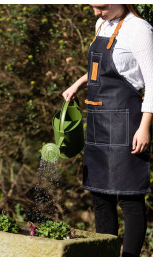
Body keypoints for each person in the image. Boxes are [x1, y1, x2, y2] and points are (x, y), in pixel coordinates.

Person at [62, 4, 153, 257]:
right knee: (100, 196)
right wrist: (79, 83)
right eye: (92, 7)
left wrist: (145, 126)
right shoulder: (101, 24)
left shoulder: (141, 30)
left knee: (130, 198)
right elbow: (100, 70)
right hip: (97, 120)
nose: (95, 13)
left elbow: (152, 81)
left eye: (100, 7)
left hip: (127, 123)